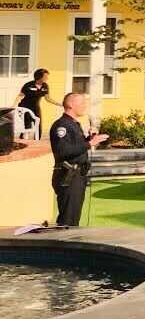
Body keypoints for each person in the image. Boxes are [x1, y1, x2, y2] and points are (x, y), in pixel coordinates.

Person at [49, 93, 108, 226]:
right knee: (68, 218)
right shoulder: (62, 126)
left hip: (77, 175)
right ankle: (62, 244)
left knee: (73, 216)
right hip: (68, 175)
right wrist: (89, 144)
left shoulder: (73, 124)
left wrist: (90, 139)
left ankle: (68, 243)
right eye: (81, 103)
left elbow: (75, 147)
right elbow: (63, 151)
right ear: (70, 105)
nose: (85, 106)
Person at [15, 68, 58, 137]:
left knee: (38, 124)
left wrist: (58, 104)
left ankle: (37, 140)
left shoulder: (45, 86)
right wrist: (14, 105)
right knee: (27, 125)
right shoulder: (28, 85)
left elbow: (48, 98)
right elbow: (20, 95)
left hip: (35, 106)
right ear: (39, 76)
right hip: (25, 106)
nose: (47, 78)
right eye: (45, 76)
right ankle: (23, 140)